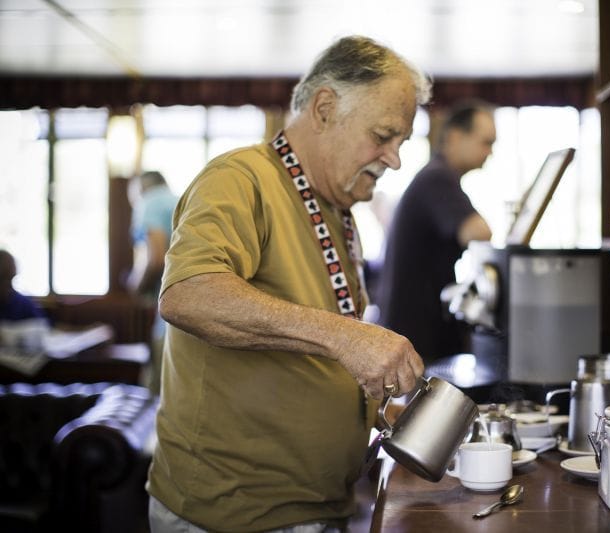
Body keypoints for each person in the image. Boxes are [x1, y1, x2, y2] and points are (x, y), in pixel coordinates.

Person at [147, 35, 429, 533]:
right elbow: (188, 295)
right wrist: (349, 336)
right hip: (235, 517)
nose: (394, 159)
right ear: (324, 108)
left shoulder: (336, 208)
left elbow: (309, 356)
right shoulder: (240, 177)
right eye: (383, 135)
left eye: (401, 142)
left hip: (316, 506)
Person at [377, 101, 496, 364]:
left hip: (417, 327)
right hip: (417, 334)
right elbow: (478, 233)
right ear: (455, 137)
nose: (490, 152)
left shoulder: (437, 176)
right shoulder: (437, 178)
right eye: (485, 142)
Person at [127, 170, 178, 395]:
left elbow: (155, 257)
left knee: (158, 396)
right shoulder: (179, 200)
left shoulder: (149, 202)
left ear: (140, 189)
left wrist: (135, 286)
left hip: (169, 320)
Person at [0, 249, 46, 322]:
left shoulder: (23, 303)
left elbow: (41, 325)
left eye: (9, 279)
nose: (8, 286)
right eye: (3, 279)